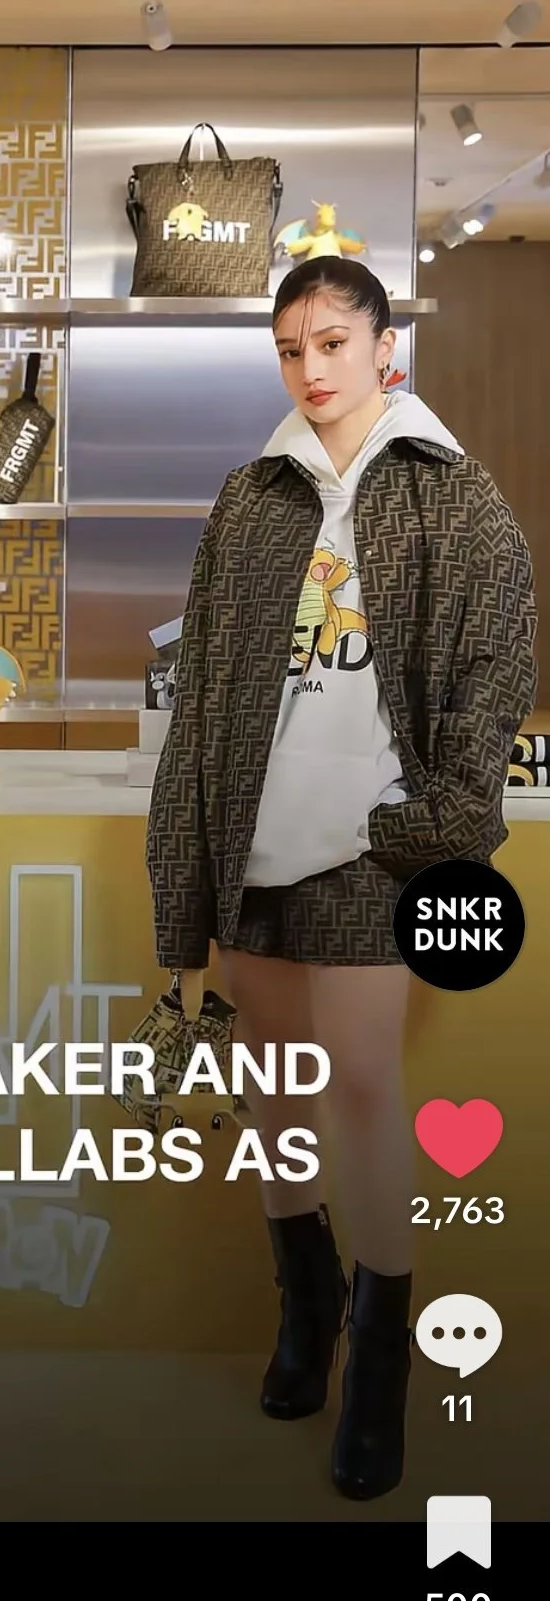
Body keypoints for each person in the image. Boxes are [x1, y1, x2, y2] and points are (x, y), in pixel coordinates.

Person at [146, 256, 537, 1501]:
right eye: (290, 349)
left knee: (363, 1083)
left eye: (331, 342)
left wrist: (443, 817)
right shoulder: (252, 494)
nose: (310, 368)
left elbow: (495, 665)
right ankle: (305, 1309)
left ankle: (379, 1366)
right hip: (254, 837)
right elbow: (203, 692)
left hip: (375, 841)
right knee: (274, 1082)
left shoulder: (450, 491)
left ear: (383, 347)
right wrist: (185, 864)